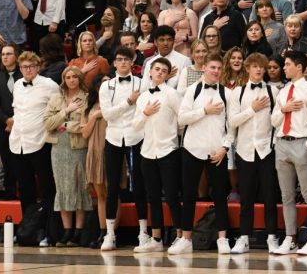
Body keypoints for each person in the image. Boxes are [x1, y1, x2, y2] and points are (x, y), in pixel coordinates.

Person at [175, 56, 232, 255]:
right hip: (192, 148)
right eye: (212, 67)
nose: (216, 70)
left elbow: (231, 125)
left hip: (217, 151)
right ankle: (185, 239)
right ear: (205, 68)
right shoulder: (192, 91)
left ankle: (223, 239)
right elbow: (181, 119)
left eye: (219, 68)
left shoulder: (227, 93)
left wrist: (225, 148)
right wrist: (204, 111)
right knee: (189, 194)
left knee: (219, 195)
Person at [270, 51, 307, 255]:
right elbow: (274, 120)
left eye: (287, 64)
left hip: (301, 143)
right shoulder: (283, 92)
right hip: (282, 143)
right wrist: (284, 109)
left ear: (299, 67)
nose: (284, 68)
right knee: (286, 196)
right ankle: (290, 239)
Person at [98, 47, 150, 251]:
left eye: (126, 60)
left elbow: (144, 111)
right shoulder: (106, 86)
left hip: (136, 137)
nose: (122, 63)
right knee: (112, 187)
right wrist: (128, 102)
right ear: (114, 62)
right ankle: (110, 234)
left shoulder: (142, 83)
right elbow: (108, 115)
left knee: (139, 185)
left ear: (133, 61)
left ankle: (143, 233)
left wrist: (127, 108)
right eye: (119, 59)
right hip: (113, 137)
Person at [228, 52, 280, 254]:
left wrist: (273, 144)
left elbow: (277, 121)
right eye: (255, 66)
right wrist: (252, 109)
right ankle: (243, 238)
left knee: (269, 196)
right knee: (246, 197)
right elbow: (232, 122)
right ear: (247, 68)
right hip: (244, 150)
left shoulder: (273, 91)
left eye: (262, 66)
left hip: (266, 150)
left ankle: (272, 238)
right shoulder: (237, 93)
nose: (258, 69)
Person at [132, 58, 182, 253]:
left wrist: (172, 136)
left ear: (167, 74)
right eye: (157, 69)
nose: (160, 72)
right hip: (147, 151)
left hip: (168, 150)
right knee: (152, 196)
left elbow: (182, 119)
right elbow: (136, 125)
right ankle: (156, 239)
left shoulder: (172, 94)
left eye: (164, 70)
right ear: (150, 72)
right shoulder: (143, 97)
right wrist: (145, 112)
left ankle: (180, 237)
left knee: (171, 195)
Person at [9, 51, 57, 247]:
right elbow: (17, 111)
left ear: (38, 67)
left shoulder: (49, 85)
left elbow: (56, 109)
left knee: (47, 188)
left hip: (39, 142)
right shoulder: (18, 85)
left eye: (31, 66)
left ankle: (46, 230)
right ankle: (27, 229)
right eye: (23, 67)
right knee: (25, 188)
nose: (27, 70)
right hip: (18, 143)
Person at [43, 65, 91, 247]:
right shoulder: (56, 98)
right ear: (64, 79)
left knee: (79, 187)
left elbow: (85, 126)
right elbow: (48, 123)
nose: (71, 80)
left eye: (74, 76)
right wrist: (66, 111)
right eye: (68, 77)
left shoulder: (86, 98)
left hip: (78, 147)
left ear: (79, 78)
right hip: (58, 147)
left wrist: (65, 125)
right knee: (62, 189)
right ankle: (67, 231)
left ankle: (78, 232)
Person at [79, 73, 110, 248]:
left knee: (113, 194)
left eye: (108, 83)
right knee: (100, 195)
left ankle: (111, 233)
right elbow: (84, 133)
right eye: (102, 83)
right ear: (97, 87)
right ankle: (102, 231)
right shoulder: (90, 106)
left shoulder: (116, 104)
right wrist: (94, 116)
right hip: (94, 151)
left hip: (111, 151)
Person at [0, 44, 20, 199]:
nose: (5, 57)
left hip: (24, 124)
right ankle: (10, 193)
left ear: (16, 56)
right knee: (7, 161)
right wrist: (6, 119)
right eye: (3, 54)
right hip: (4, 126)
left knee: (22, 161)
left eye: (9, 54)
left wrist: (16, 119)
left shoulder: (24, 75)